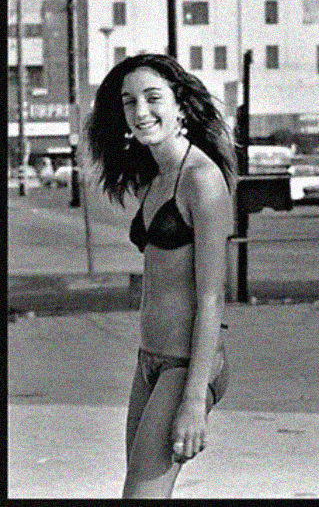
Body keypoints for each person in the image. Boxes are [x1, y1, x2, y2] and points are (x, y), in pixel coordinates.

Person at [85, 53, 235, 498]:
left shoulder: (201, 179)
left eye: (153, 98)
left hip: (186, 366)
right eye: (130, 102)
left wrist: (193, 399)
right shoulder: (156, 176)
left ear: (181, 106)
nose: (141, 112)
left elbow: (212, 298)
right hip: (148, 363)